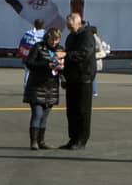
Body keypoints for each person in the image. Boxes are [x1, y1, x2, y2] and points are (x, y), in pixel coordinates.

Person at [60, 11, 98, 149]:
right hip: (72, 78)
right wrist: (64, 75)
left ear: (79, 23)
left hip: (84, 78)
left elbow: (84, 54)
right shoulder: (70, 37)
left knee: (83, 111)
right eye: (68, 27)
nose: (70, 29)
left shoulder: (87, 36)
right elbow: (67, 58)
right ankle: (72, 138)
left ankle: (82, 139)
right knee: (71, 111)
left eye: (71, 26)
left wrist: (67, 54)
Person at [22, 26, 62, 150]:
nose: (54, 42)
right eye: (52, 39)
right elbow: (29, 63)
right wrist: (46, 65)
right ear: (47, 37)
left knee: (45, 116)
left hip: (52, 87)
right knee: (37, 114)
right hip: (37, 86)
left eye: (57, 40)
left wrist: (62, 70)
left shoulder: (61, 50)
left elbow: (64, 66)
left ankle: (41, 141)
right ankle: (33, 142)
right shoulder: (38, 47)